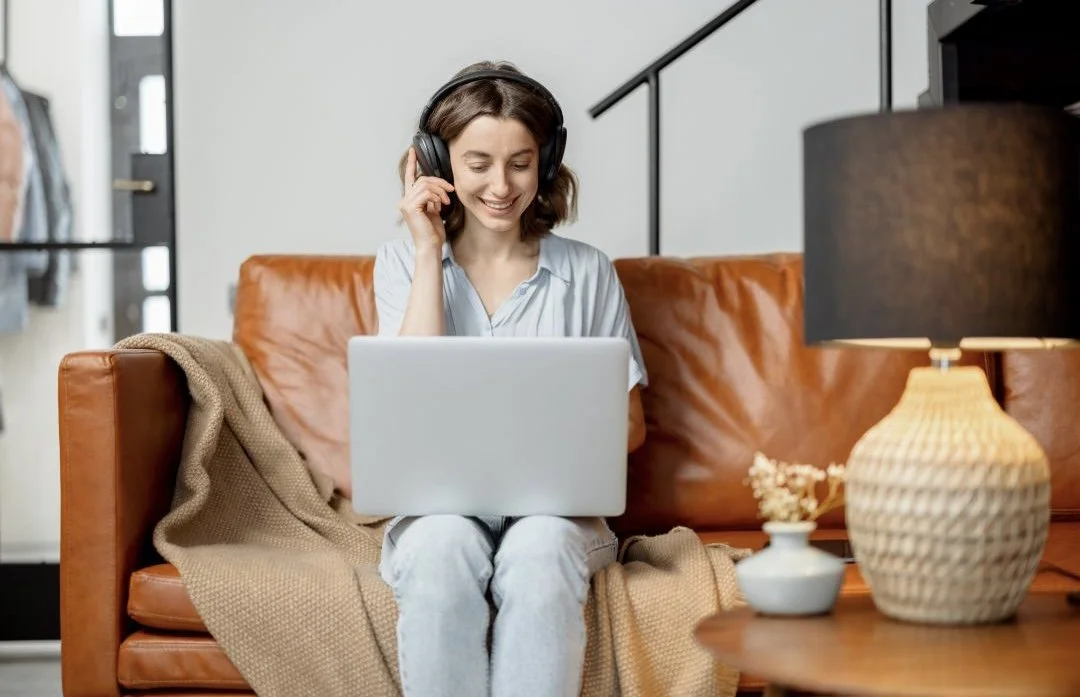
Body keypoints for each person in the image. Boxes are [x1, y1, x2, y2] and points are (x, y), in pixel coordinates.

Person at [373, 60, 648, 697]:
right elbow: (410, 401)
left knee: (540, 548)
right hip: (440, 512)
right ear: (437, 165)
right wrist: (425, 253)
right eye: (478, 164)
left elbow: (629, 428)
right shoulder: (400, 264)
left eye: (521, 163)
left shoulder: (588, 272)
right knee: (441, 549)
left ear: (546, 164)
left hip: (559, 517)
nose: (501, 185)